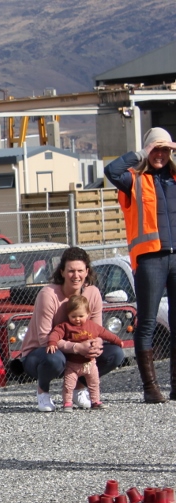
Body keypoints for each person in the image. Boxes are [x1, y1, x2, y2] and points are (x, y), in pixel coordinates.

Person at [104, 126, 176, 403]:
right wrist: (141, 154)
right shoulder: (133, 180)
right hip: (149, 259)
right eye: (155, 149)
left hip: (175, 257)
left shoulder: (174, 177)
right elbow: (111, 171)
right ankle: (151, 389)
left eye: (165, 150)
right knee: (146, 322)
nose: (160, 154)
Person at [18, 246, 125, 412]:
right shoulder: (48, 295)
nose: (76, 276)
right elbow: (44, 339)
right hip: (41, 353)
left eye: (80, 270)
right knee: (54, 359)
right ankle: (43, 392)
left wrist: (94, 346)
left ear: (87, 271)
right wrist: (77, 348)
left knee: (115, 354)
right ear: (62, 272)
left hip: (76, 352)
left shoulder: (93, 293)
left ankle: (78, 388)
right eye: (71, 271)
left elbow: (97, 330)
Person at [46, 295, 123, 412]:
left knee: (94, 383)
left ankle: (95, 401)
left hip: (90, 363)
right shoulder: (65, 326)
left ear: (88, 314)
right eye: (73, 316)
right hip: (73, 364)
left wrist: (117, 340)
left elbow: (105, 333)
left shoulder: (92, 326)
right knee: (69, 385)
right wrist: (52, 342)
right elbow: (55, 333)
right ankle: (67, 403)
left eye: (81, 316)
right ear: (68, 315)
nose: (77, 319)